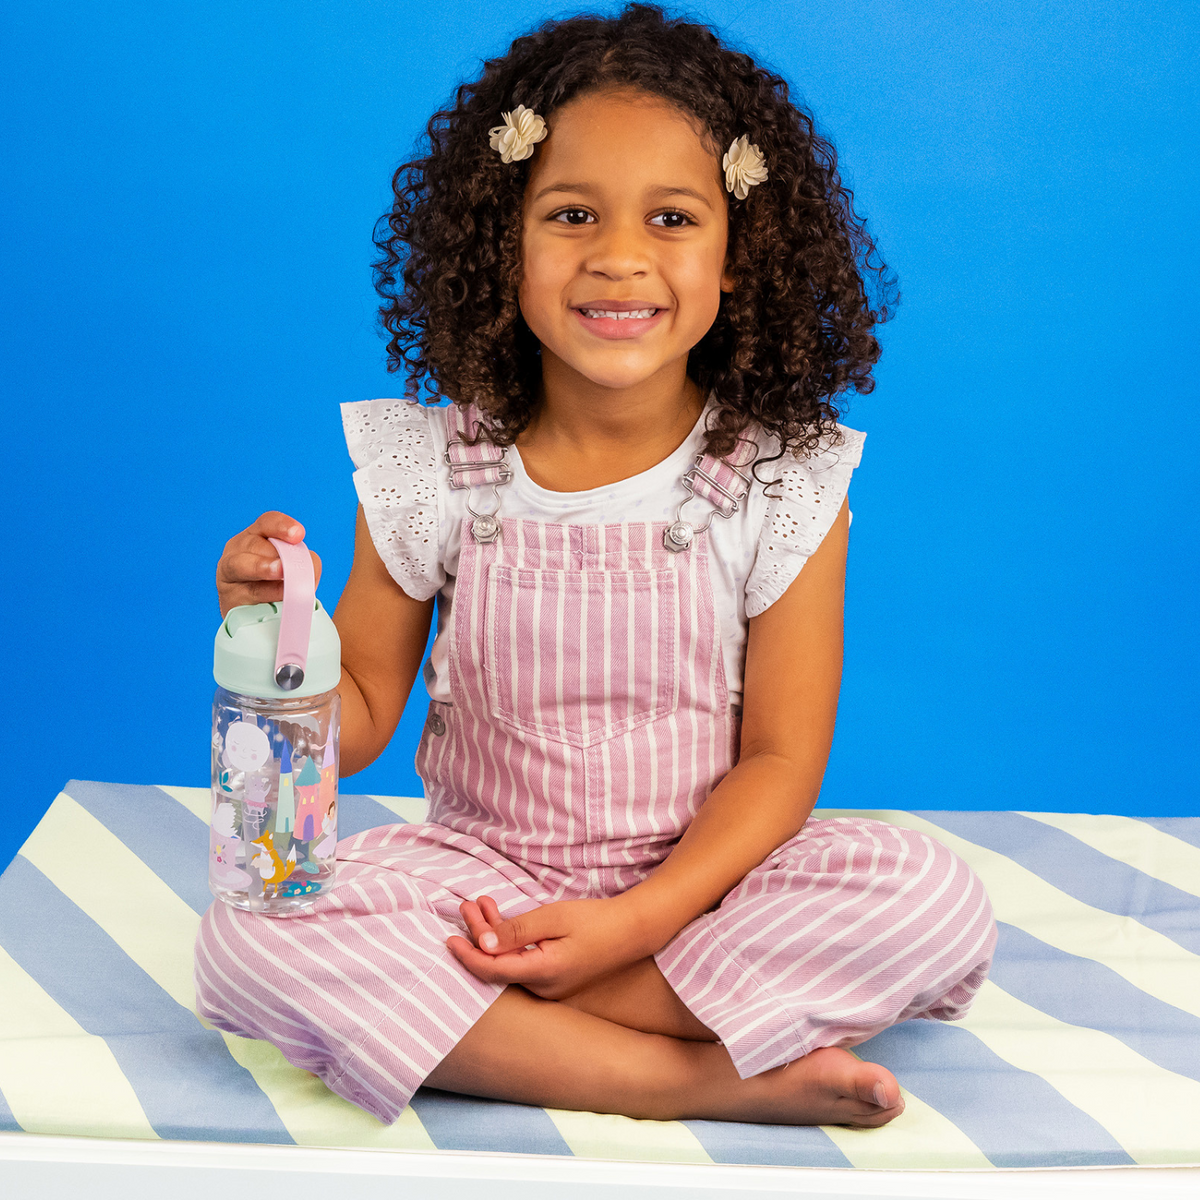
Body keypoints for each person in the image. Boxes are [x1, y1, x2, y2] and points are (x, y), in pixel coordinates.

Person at [195, 3, 996, 1129]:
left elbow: (780, 761)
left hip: (702, 890)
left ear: (738, 255)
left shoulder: (783, 479)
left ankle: (531, 1016)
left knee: (929, 894)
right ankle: (691, 1076)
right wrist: (279, 642)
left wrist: (633, 924)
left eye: (672, 217)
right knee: (250, 932)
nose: (620, 257)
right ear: (504, 244)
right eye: (571, 214)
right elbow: (360, 722)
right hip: (481, 882)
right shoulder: (428, 467)